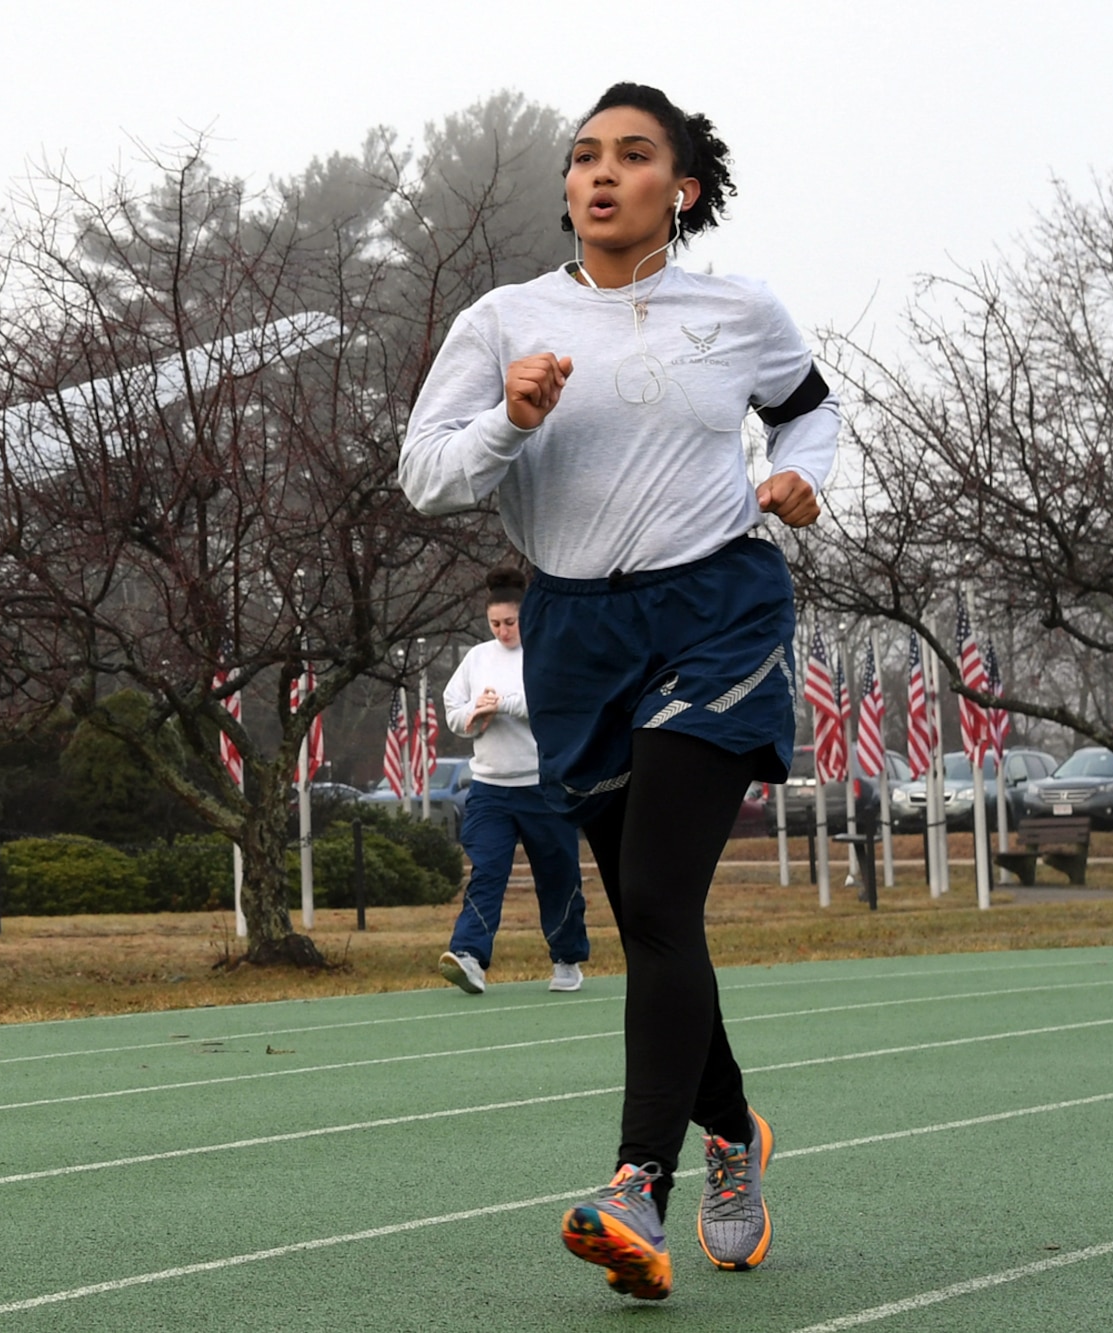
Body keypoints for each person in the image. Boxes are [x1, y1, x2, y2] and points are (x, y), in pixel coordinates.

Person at [398, 82, 836, 1302]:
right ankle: (731, 1131)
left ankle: (634, 1182)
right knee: (657, 919)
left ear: (677, 190)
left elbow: (809, 412)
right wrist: (507, 418)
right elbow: (424, 474)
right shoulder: (503, 319)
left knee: (650, 891)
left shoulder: (735, 308)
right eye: (583, 156)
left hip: (715, 610)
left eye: (631, 156)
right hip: (574, 631)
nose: (599, 174)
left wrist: (798, 478)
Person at [436, 566, 589, 997]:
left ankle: (566, 959)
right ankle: (468, 957)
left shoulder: (549, 652)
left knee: (558, 876)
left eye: (511, 622)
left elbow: (551, 702)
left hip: (545, 787)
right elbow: (454, 710)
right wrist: (475, 717)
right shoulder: (477, 658)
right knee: (486, 871)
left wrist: (500, 704)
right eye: (495, 624)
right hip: (489, 790)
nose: (503, 631)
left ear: (528, 615)